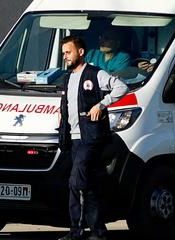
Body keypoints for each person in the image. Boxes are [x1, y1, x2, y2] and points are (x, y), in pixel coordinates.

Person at [57, 36, 128, 240]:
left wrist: (101, 105)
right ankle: (98, 231)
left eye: (68, 52)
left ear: (80, 52)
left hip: (90, 137)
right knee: (88, 185)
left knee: (75, 182)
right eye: (63, 53)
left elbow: (121, 87)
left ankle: (76, 230)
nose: (65, 57)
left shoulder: (95, 74)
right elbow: (68, 103)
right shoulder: (67, 78)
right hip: (73, 138)